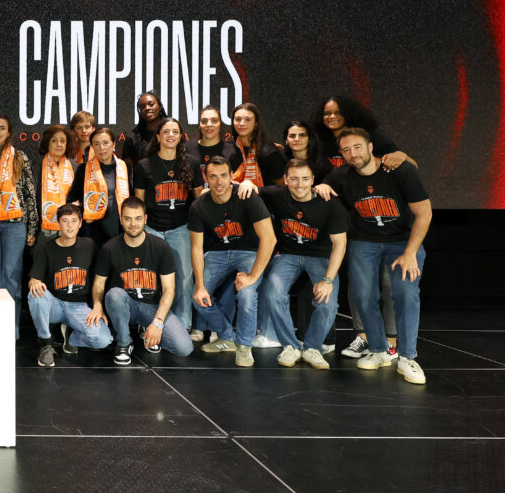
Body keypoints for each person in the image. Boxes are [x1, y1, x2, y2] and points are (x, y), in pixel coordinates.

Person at [317, 127, 432, 384]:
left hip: (402, 242)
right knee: (362, 296)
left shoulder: (401, 171)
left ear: (371, 147)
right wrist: (323, 186)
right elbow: (325, 186)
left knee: (405, 293)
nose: (352, 154)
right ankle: (379, 350)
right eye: (346, 150)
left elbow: (424, 214)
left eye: (357, 147)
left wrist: (411, 252)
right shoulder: (341, 175)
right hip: (365, 241)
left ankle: (407, 357)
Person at [309, 96, 414, 357]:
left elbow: (406, 163)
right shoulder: (320, 139)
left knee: (390, 283)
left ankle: (391, 341)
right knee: (360, 286)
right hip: (350, 220)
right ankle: (363, 337)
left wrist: (400, 155)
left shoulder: (371, 135)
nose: (330, 117)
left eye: (337, 112)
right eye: (326, 112)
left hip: (386, 222)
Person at [256, 159, 348, 369]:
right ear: (286, 179)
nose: (300, 184)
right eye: (294, 179)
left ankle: (313, 348)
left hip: (321, 256)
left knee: (328, 302)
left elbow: (340, 245)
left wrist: (328, 280)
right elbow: (252, 190)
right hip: (288, 254)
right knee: (272, 294)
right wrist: (245, 185)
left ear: (313, 181)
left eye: (305, 179)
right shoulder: (277, 194)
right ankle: (290, 346)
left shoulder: (330, 203)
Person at [189, 156, 276, 367]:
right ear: (206, 178)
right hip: (218, 252)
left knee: (246, 294)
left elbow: (269, 238)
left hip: (248, 251)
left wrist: (253, 276)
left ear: (231, 177)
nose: (219, 182)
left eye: (223, 176)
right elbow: (196, 247)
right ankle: (227, 337)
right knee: (198, 298)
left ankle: (244, 347)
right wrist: (200, 286)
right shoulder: (199, 205)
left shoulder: (247, 197)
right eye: (213, 177)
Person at [92, 197, 194, 366]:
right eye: (128, 218)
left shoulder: (161, 247)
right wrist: (97, 304)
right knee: (114, 295)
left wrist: (158, 323)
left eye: (138, 218)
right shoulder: (109, 248)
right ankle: (124, 343)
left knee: (184, 348)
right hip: (125, 306)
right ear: (121, 219)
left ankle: (148, 330)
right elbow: (99, 283)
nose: (133, 224)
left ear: (145, 219)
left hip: (151, 308)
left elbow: (169, 289)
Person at [134, 118, 204, 336]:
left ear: (181, 136)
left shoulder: (191, 163)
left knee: (183, 278)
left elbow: (199, 198)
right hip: (153, 228)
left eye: (175, 131)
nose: (170, 135)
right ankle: (150, 322)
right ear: (158, 137)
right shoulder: (144, 165)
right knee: (151, 278)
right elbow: (139, 201)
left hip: (181, 228)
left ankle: (182, 326)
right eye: (166, 131)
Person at [27, 204, 111, 367]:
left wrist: (98, 306)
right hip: (55, 305)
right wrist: (34, 281)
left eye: (74, 221)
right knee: (35, 294)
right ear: (58, 224)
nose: (70, 225)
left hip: (79, 307)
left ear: (80, 223)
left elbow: (99, 278)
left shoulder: (89, 245)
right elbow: (33, 279)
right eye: (65, 221)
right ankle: (46, 344)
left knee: (103, 340)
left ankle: (72, 335)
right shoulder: (47, 247)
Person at [0, 115, 39, 338]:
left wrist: (32, 228)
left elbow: (29, 192)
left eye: (1, 128)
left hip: (15, 224)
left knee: (12, 276)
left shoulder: (19, 157)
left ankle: (11, 329)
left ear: (8, 132)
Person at [68, 127, 131, 249]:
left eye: (105, 143)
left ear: (113, 144)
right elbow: (72, 198)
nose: (102, 147)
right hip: (92, 231)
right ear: (92, 147)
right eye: (96, 144)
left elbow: (133, 197)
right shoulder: (83, 169)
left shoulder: (126, 167)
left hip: (120, 229)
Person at [230, 102, 285, 188]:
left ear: (256, 123)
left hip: (264, 200)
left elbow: (282, 185)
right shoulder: (228, 148)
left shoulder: (268, 152)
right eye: (238, 119)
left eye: (248, 119)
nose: (241, 123)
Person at [36, 125, 77, 242]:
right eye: (54, 141)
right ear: (47, 143)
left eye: (62, 141)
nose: (59, 144)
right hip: (42, 229)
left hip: (69, 228)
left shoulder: (75, 167)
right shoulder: (35, 166)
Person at [184, 105, 238, 189]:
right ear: (199, 125)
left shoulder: (231, 150)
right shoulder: (187, 149)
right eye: (204, 121)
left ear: (220, 124)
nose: (209, 124)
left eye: (214, 121)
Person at [279, 120, 333, 185]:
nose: (297, 139)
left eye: (302, 135)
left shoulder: (322, 164)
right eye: (292, 136)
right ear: (286, 140)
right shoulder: (279, 159)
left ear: (309, 139)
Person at [121, 90, 167, 165]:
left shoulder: (172, 133)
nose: (147, 108)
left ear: (160, 106)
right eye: (142, 106)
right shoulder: (132, 138)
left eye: (151, 104)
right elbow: (128, 170)